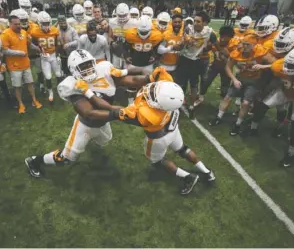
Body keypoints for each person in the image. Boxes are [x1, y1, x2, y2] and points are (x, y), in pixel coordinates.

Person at [24, 50, 166, 179]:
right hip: (85, 125)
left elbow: (131, 81)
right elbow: (89, 113)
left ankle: (92, 143)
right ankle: (34, 161)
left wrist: (149, 78)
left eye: (89, 64)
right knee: (66, 158)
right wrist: (118, 113)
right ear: (74, 70)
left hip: (104, 121)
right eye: (83, 67)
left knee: (105, 140)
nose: (88, 69)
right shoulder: (73, 85)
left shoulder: (103, 70)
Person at [77, 70, 215, 194]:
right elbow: (159, 73)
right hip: (172, 128)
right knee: (182, 148)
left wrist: (87, 92)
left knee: (157, 161)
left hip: (158, 139)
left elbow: (111, 110)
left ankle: (187, 177)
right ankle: (207, 172)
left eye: (155, 94)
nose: (152, 90)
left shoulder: (145, 115)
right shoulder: (168, 91)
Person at [248, 46, 294, 167]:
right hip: (285, 91)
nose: (288, 68)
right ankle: (253, 128)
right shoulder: (280, 65)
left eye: (293, 66)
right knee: (261, 106)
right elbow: (273, 66)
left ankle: (291, 154)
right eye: (288, 64)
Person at [209, 34, 274, 136]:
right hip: (240, 78)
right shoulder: (237, 52)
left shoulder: (262, 51)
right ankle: (219, 117)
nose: (244, 47)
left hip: (254, 81)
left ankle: (238, 124)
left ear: (254, 45)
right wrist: (234, 79)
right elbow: (228, 67)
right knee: (227, 97)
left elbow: (277, 64)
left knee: (245, 103)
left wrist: (263, 66)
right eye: (243, 44)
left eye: (248, 44)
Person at [175, 11, 217, 119]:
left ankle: (192, 106)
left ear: (205, 23)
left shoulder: (211, 33)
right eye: (195, 21)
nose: (195, 23)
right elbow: (185, 41)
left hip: (196, 61)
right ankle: (177, 104)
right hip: (184, 58)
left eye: (198, 21)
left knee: (194, 85)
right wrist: (185, 41)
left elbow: (214, 45)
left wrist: (208, 50)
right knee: (180, 84)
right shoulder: (188, 28)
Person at [0, 15, 42, 114]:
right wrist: (19, 53)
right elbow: (4, 51)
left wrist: (36, 48)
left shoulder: (23, 32)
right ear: (10, 24)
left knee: (30, 83)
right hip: (14, 66)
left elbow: (28, 44)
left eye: (19, 24)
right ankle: (21, 104)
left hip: (26, 64)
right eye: (16, 24)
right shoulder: (5, 34)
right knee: (17, 86)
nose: (19, 26)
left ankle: (34, 100)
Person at [30, 11, 62, 103]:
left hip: (53, 55)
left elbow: (57, 43)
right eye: (44, 24)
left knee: (58, 74)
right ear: (40, 23)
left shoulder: (55, 30)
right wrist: (39, 49)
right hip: (44, 57)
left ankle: (60, 90)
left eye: (47, 23)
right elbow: (32, 44)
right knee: (48, 76)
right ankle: (50, 92)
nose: (46, 26)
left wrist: (58, 54)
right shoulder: (35, 32)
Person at [199, 26, 236, 99]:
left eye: (226, 37)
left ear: (230, 37)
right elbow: (204, 51)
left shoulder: (234, 45)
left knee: (225, 85)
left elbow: (234, 60)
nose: (223, 39)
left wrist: (226, 56)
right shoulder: (216, 42)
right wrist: (207, 46)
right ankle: (201, 96)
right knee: (206, 81)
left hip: (227, 67)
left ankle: (223, 99)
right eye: (222, 36)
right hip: (215, 65)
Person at [108, 3, 138, 69]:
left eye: (124, 15)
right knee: (116, 71)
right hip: (117, 52)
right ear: (116, 14)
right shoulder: (112, 22)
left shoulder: (135, 23)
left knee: (128, 72)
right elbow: (109, 36)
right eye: (120, 15)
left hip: (129, 52)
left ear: (128, 13)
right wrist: (112, 43)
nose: (122, 17)